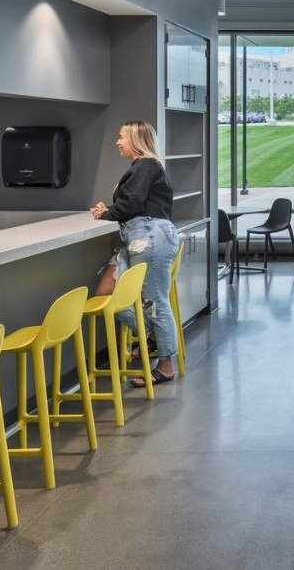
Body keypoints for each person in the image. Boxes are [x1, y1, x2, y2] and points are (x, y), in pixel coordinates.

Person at [90, 121, 181, 387]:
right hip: (139, 235)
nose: (117, 142)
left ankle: (165, 366)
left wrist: (107, 213)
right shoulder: (142, 166)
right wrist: (107, 210)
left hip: (148, 235)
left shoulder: (146, 164)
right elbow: (132, 202)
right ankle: (152, 334)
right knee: (106, 291)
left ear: (136, 140)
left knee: (154, 301)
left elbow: (132, 203)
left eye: (121, 138)